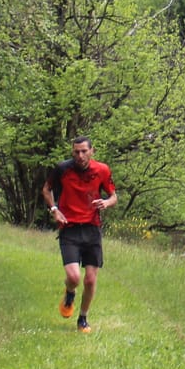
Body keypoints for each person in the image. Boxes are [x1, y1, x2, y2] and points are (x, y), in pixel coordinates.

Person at [44, 136, 116, 333]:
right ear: (72, 152)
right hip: (69, 228)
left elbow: (113, 196)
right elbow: (47, 189)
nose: (80, 155)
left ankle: (83, 318)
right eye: (76, 152)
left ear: (92, 151)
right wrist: (54, 210)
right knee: (74, 277)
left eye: (84, 151)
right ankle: (70, 292)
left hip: (92, 229)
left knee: (90, 280)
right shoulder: (62, 169)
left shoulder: (102, 170)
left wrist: (106, 203)